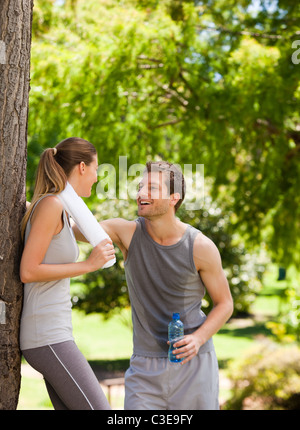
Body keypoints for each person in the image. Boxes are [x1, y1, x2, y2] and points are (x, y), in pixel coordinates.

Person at [96, 161, 234, 410]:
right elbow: (73, 229)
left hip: (193, 366)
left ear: (173, 198)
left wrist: (198, 339)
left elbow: (225, 303)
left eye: (151, 187)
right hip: (144, 370)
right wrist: (46, 204)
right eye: (140, 186)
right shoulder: (125, 233)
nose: (141, 193)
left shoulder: (200, 247)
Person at [20, 137, 115, 410]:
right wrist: (89, 265)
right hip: (46, 335)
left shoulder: (60, 207)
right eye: (97, 169)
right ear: (82, 167)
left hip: (54, 332)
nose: (97, 178)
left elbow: (78, 232)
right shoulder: (52, 205)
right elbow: (28, 270)